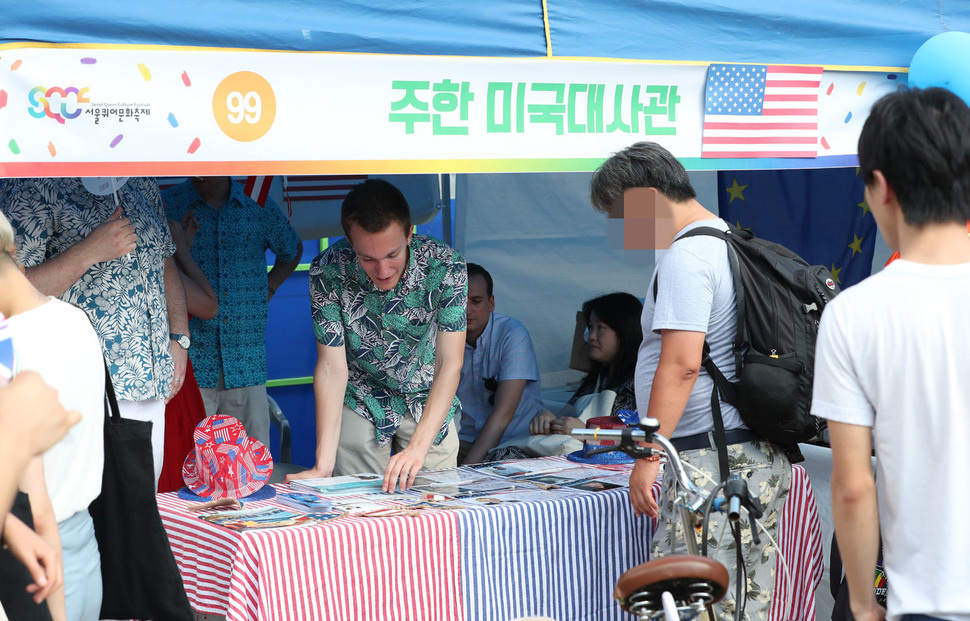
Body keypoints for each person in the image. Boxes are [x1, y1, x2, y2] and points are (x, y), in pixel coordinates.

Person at [589, 141, 791, 620]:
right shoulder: (727, 241)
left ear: (648, 199)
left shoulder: (687, 257)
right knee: (738, 606)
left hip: (711, 461)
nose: (620, 229)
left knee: (682, 608)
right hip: (746, 457)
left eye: (620, 215)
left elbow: (681, 364)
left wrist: (648, 453)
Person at [814, 87, 970, 621]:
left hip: (929, 602)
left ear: (881, 187)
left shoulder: (853, 314)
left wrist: (861, 603)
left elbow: (854, 486)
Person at [0, 177, 189, 489]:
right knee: (88, 517)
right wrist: (88, 251)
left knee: (139, 511)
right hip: (80, 389)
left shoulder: (141, 181)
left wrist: (179, 338)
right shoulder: (34, 185)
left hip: (153, 385)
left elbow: (165, 259)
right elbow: (10, 290)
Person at [290, 178, 466, 492]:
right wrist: (323, 465)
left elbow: (449, 362)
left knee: (439, 503)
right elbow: (332, 367)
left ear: (410, 232)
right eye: (368, 258)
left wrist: (418, 448)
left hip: (426, 393)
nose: (382, 270)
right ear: (348, 239)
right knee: (362, 505)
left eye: (392, 255)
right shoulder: (327, 270)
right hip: (362, 396)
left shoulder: (447, 266)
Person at [0, 209, 104, 620]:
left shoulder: (11, 347)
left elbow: (35, 502)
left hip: (34, 555)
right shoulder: (76, 319)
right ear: (14, 250)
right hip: (79, 540)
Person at [163, 177, 302, 446]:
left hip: (245, 362)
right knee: (192, 466)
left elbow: (291, 248)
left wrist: (270, 287)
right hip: (191, 363)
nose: (200, 173)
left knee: (250, 467)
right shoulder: (171, 204)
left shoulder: (255, 202)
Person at [456, 263, 544, 464]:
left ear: (491, 303)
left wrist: (467, 471)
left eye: (476, 301)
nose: (467, 309)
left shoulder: (513, 334)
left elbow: (503, 414)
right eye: (459, 301)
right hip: (464, 441)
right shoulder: (444, 336)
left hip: (514, 444)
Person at [157, 217, 219, 493]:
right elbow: (209, 305)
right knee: (176, 468)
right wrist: (180, 251)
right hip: (173, 377)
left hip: (169, 374)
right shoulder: (157, 265)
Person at [529, 292, 641, 439]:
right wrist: (546, 418)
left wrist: (588, 432)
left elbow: (647, 440)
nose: (591, 336)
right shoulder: (597, 379)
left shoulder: (641, 382)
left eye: (601, 327)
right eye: (590, 327)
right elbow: (567, 419)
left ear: (625, 331)